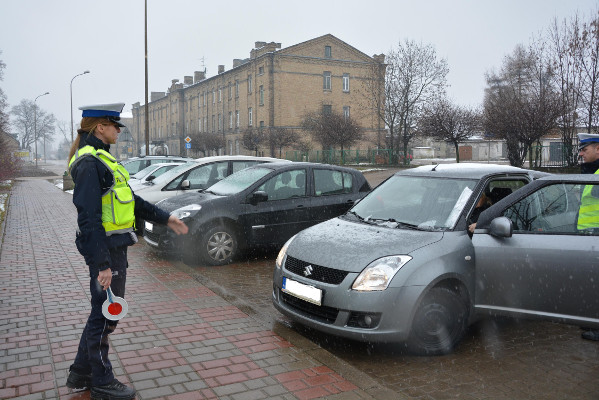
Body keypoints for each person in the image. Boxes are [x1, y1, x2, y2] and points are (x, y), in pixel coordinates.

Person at [65, 103, 189, 398]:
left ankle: (81, 373)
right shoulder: (89, 163)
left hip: (114, 248)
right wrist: (102, 264)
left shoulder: (103, 161)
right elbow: (89, 218)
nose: (119, 131)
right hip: (106, 251)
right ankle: (102, 381)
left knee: (103, 312)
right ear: (100, 128)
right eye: (115, 126)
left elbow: (132, 201)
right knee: (106, 315)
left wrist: (165, 218)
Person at [577, 132, 599, 341]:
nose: (581, 153)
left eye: (585, 149)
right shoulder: (592, 171)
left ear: (598, 149)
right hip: (589, 236)